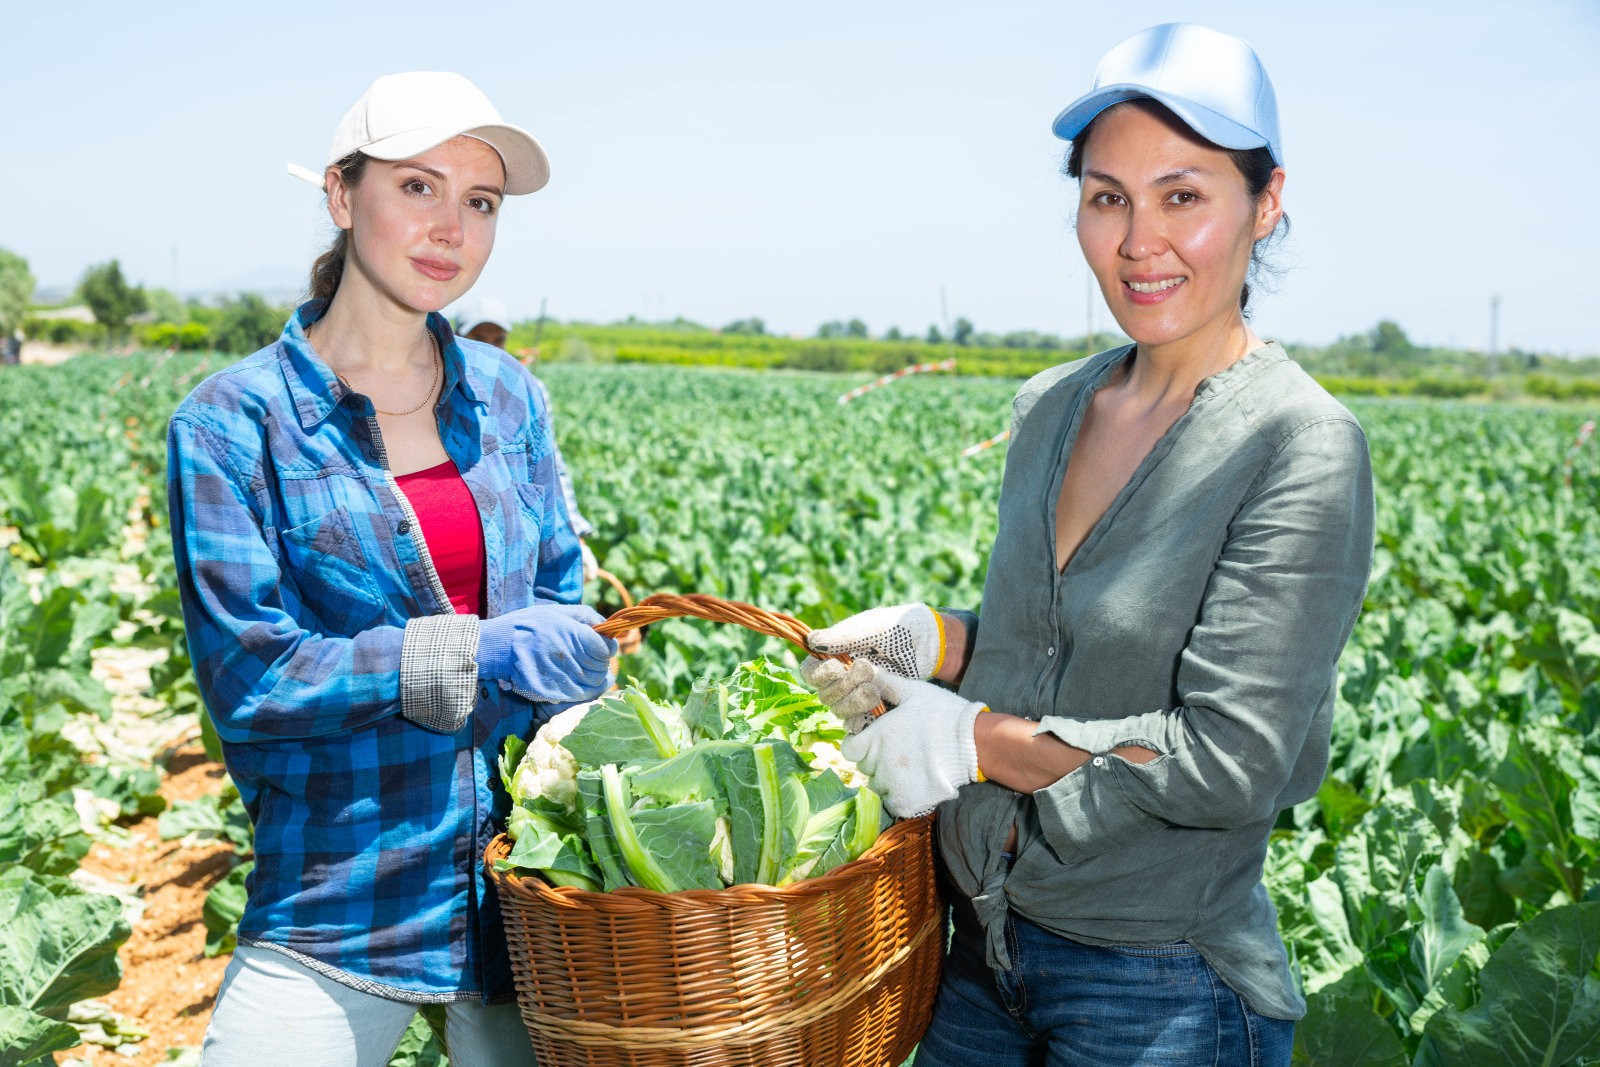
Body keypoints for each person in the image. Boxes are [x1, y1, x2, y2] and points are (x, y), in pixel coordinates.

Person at [803, 24, 1374, 1066]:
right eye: (1106, 196)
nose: (1136, 239)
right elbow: (1062, 652)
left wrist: (972, 741)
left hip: (1159, 984)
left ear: (1267, 203)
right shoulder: (1051, 407)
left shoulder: (1298, 443)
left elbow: (1228, 760)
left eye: (1183, 195)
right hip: (976, 952)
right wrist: (936, 640)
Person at [168, 71, 616, 1065]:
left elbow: (561, 590)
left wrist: (577, 655)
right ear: (339, 194)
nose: (449, 228)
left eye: (480, 202)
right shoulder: (231, 423)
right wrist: (472, 649)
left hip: (525, 894)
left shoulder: (510, 398)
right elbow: (253, 679)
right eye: (417, 187)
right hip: (341, 889)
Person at [455, 296, 599, 581]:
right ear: (457, 338)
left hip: (514, 529)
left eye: (498, 340)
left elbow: (550, 467)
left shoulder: (525, 388)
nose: (489, 348)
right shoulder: (439, 386)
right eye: (478, 338)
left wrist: (574, 535)